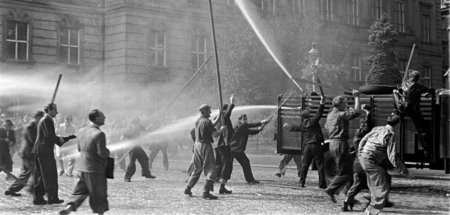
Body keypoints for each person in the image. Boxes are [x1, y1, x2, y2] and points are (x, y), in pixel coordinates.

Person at [358, 114, 414, 215]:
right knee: (382, 188)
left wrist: (360, 154)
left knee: (374, 186)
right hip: (371, 161)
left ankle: (370, 210)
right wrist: (404, 172)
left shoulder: (377, 128)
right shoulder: (390, 135)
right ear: (398, 124)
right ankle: (370, 212)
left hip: (364, 158)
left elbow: (363, 140)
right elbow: (392, 157)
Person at [59, 109, 111, 215]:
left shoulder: (82, 131)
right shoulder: (100, 134)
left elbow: (79, 148)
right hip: (95, 170)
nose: (104, 117)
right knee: (98, 195)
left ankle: (69, 208)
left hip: (82, 168)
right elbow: (102, 153)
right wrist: (107, 151)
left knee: (79, 192)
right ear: (97, 118)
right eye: (102, 116)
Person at [32, 103, 75, 205]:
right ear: (49, 110)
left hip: (40, 150)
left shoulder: (44, 119)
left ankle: (38, 198)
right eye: (55, 110)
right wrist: (63, 140)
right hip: (45, 151)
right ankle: (52, 198)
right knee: (50, 174)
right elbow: (49, 136)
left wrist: (64, 139)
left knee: (40, 176)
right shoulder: (47, 120)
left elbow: (49, 136)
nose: (57, 112)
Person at [324, 90, 361, 204]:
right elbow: (357, 111)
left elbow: (326, 127)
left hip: (332, 144)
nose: (346, 105)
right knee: (347, 172)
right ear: (339, 104)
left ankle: (348, 196)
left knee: (345, 170)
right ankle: (331, 190)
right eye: (344, 103)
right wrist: (357, 97)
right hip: (340, 143)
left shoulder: (330, 115)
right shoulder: (340, 115)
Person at [284, 96, 326, 188]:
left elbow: (295, 128)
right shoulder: (313, 121)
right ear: (309, 115)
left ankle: (302, 182)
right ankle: (322, 184)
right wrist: (322, 103)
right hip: (316, 145)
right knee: (320, 164)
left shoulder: (303, 125)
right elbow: (319, 113)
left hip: (307, 146)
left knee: (305, 165)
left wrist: (287, 126)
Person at [184, 104, 224, 200]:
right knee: (211, 168)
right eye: (209, 111)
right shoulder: (207, 122)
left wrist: (219, 115)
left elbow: (211, 124)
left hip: (197, 145)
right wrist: (222, 130)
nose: (210, 112)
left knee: (197, 169)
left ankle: (188, 187)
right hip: (205, 145)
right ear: (205, 111)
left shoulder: (199, 120)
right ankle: (206, 192)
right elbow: (215, 134)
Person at [393, 70, 436, 155]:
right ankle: (427, 149)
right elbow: (432, 91)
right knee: (422, 129)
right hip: (413, 110)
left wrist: (399, 92)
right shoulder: (420, 86)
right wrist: (425, 93)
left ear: (410, 77)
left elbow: (402, 93)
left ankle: (396, 110)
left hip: (403, 109)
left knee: (394, 92)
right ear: (417, 78)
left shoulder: (403, 84)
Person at [5, 111, 44, 196]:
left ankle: (12, 189)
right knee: (36, 172)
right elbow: (32, 140)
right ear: (37, 117)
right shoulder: (31, 126)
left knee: (26, 173)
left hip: (29, 153)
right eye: (41, 118)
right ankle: (32, 189)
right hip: (28, 153)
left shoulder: (36, 126)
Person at [342, 104, 373, 211]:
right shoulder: (365, 136)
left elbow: (351, 151)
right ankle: (370, 204)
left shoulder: (356, 137)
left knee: (357, 185)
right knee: (375, 183)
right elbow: (368, 127)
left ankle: (347, 201)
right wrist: (368, 114)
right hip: (365, 164)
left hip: (357, 164)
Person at [229, 114, 268, 184]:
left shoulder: (243, 127)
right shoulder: (240, 126)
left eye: (246, 119)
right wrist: (261, 122)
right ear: (239, 120)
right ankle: (218, 177)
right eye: (244, 119)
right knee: (228, 166)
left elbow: (251, 132)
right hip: (234, 149)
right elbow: (248, 127)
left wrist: (259, 129)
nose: (245, 121)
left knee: (245, 162)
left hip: (236, 149)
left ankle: (250, 179)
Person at [122, 117, 155, 182]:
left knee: (145, 159)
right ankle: (127, 177)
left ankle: (146, 173)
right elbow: (122, 138)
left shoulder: (139, 127)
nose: (137, 125)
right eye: (136, 123)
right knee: (132, 163)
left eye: (138, 123)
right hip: (132, 147)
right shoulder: (128, 130)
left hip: (137, 147)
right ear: (132, 124)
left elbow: (146, 130)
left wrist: (149, 129)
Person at [214, 95, 235, 194]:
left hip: (217, 145)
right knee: (226, 165)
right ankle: (222, 186)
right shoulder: (223, 117)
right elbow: (227, 114)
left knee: (219, 164)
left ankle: (216, 180)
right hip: (223, 144)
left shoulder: (218, 118)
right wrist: (232, 103)